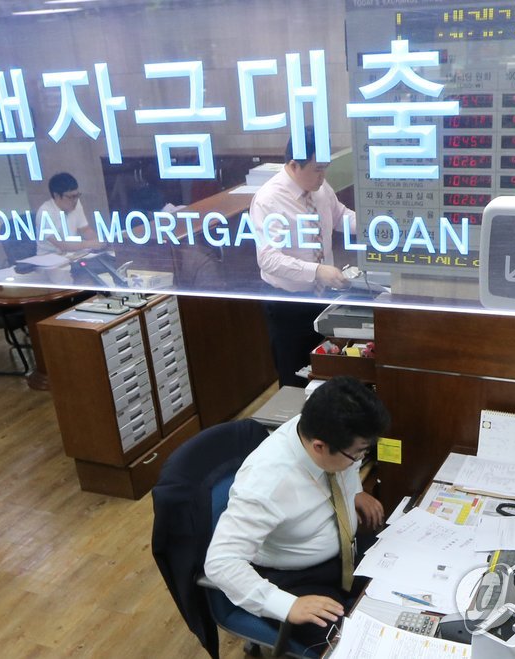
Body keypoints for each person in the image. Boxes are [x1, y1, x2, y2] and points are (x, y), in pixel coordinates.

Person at [204, 376, 390, 651]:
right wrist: (286, 605)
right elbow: (221, 562)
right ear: (319, 447)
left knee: (402, 591)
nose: (359, 460)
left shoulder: (322, 430)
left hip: (344, 549)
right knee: (354, 646)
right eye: (357, 454)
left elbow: (346, 464)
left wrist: (354, 492)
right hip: (294, 576)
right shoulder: (266, 484)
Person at [252, 127, 355, 387]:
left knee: (326, 373)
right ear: (293, 165)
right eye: (317, 169)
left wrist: (372, 225)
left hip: (323, 298)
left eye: (325, 168)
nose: (323, 176)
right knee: (295, 380)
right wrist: (316, 271)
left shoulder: (319, 187)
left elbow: (340, 215)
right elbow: (268, 259)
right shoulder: (268, 200)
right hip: (288, 305)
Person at [36, 172, 103, 256]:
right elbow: (62, 245)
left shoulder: (76, 203)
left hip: (72, 253)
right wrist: (89, 244)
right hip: (49, 257)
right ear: (56, 196)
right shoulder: (44, 213)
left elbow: (85, 230)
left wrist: (99, 242)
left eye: (77, 195)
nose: (75, 200)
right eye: (71, 197)